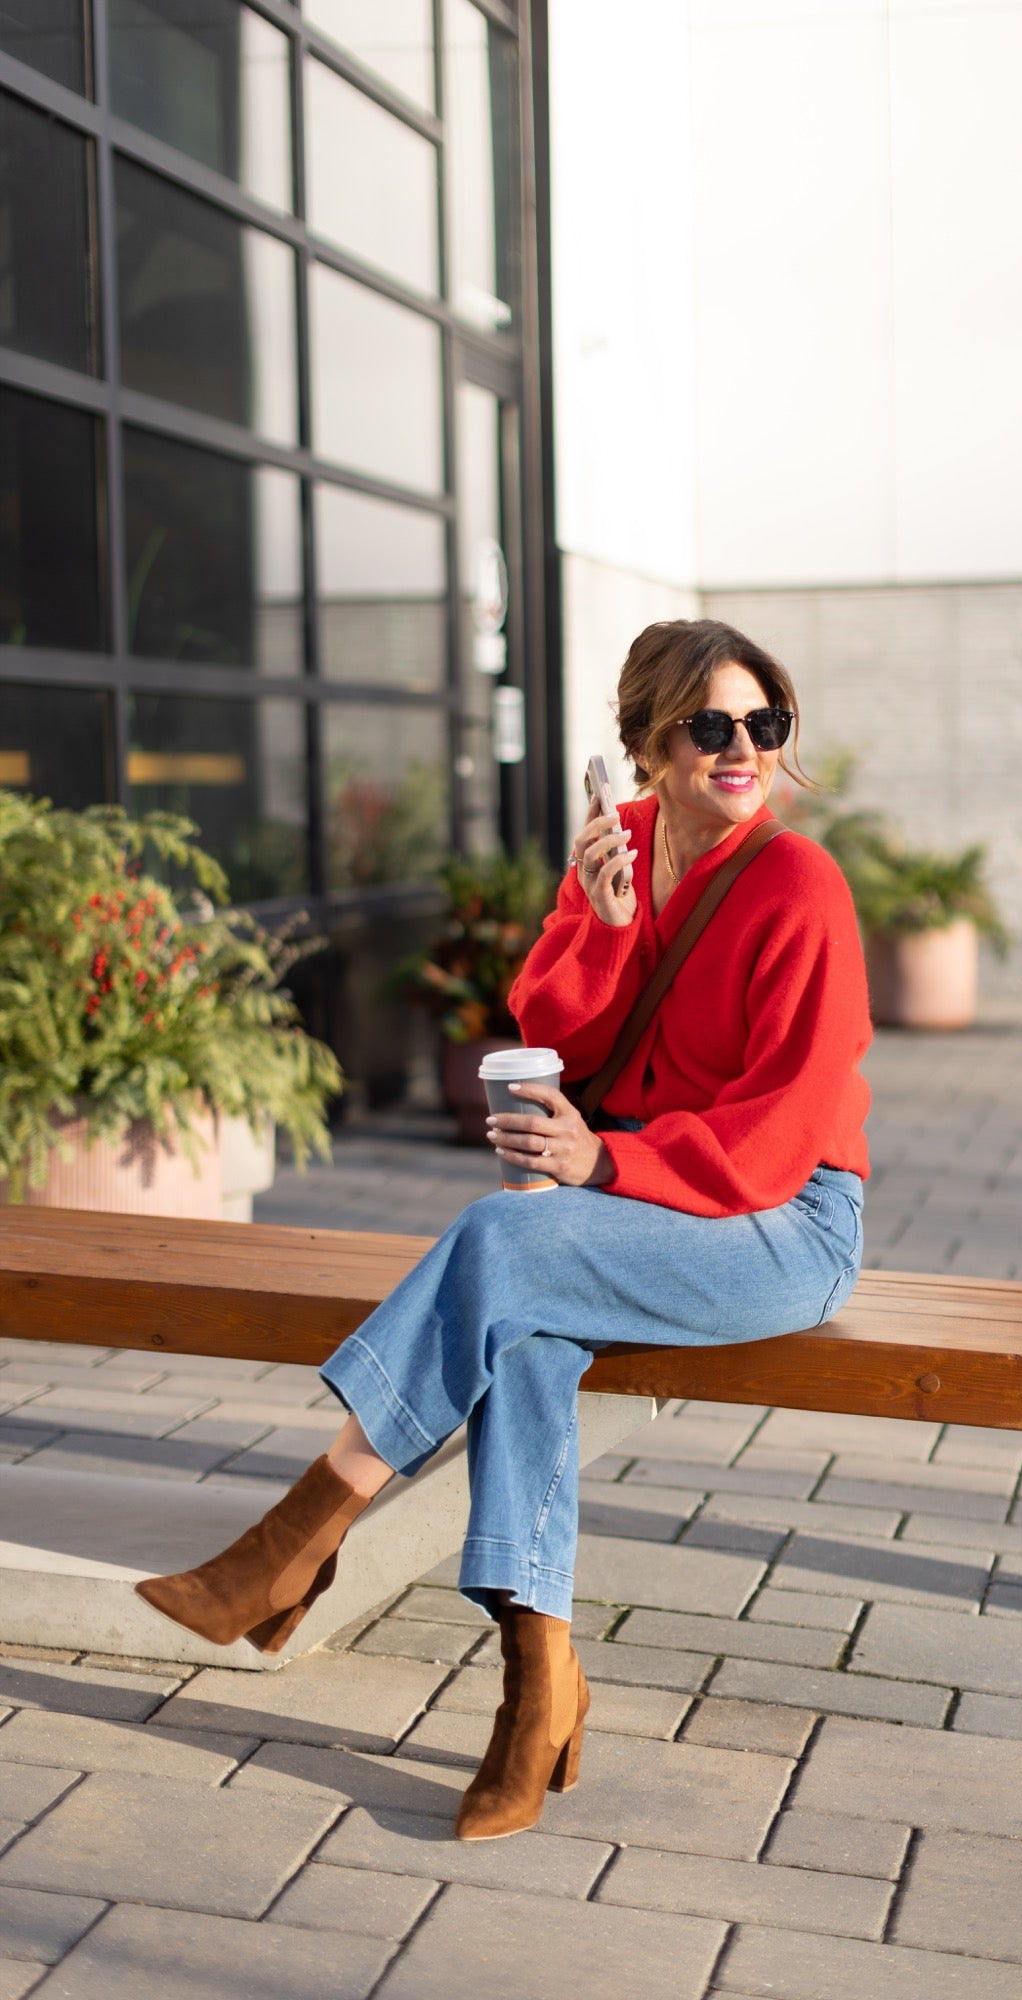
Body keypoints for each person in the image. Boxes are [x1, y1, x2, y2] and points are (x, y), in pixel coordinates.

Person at [136, 618, 872, 1840]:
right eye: (710, 725)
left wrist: (607, 1155)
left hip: (779, 1221)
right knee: (519, 1328)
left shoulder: (800, 884)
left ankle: (295, 1538)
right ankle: (538, 1687)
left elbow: (783, 1128)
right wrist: (595, 916)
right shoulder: (623, 845)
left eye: (765, 723)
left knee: (499, 1240)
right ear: (645, 742)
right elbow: (549, 1030)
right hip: (639, 1202)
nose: (742, 747)